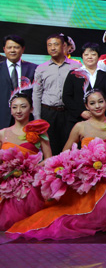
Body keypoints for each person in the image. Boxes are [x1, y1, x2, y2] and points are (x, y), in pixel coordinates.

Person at [7, 90, 106, 240]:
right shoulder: (80, 126)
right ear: (86, 106)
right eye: (92, 103)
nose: (97, 106)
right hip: (86, 178)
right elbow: (66, 152)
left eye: (100, 102)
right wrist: (81, 162)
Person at [0, 92, 51, 230]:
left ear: (31, 109)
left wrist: (32, 168)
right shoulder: (3, 133)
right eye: (14, 107)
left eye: (23, 106)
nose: (18, 111)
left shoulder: (39, 132)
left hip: (30, 182)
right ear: (10, 110)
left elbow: (48, 158)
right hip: (7, 182)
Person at [33, 34, 81, 155]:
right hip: (49, 112)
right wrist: (37, 117)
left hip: (69, 113)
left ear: (64, 46)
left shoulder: (76, 66)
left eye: (56, 44)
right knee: (50, 149)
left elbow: (80, 92)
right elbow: (37, 93)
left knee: (70, 149)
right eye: (49, 45)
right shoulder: (41, 68)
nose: (52, 48)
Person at [62, 42, 106, 138]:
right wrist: (80, 112)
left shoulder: (105, 74)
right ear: (82, 57)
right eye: (86, 54)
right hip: (77, 119)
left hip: (100, 120)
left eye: (93, 54)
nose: (90, 57)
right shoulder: (74, 74)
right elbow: (66, 97)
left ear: (98, 56)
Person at [0, 35, 37, 129]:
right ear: (4, 49)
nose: (12, 50)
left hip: (27, 119)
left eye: (16, 47)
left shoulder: (34, 69)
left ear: (23, 49)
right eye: (9, 47)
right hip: (2, 118)